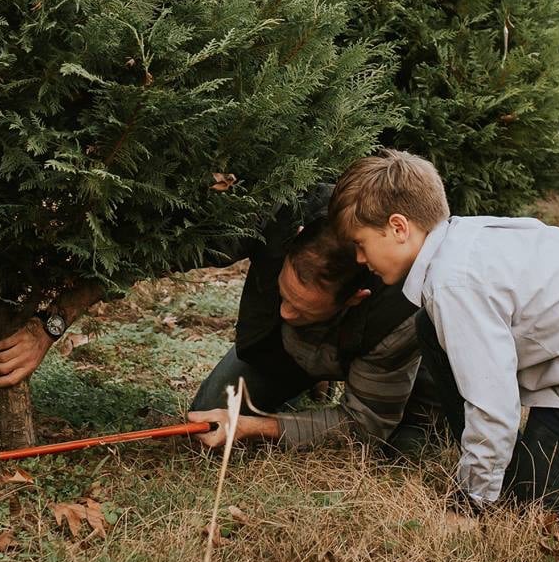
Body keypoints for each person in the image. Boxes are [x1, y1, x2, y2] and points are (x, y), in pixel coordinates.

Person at [331, 149, 559, 535]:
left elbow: (493, 403)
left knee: (532, 509)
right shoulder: (459, 241)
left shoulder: (455, 284)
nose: (359, 258)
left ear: (399, 227)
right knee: (430, 330)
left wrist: (470, 501)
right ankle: (500, 468)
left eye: (360, 243)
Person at [183, 193, 437, 455]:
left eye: (303, 310)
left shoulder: (398, 311)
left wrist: (252, 426)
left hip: (381, 361)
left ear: (354, 299)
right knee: (208, 411)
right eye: (285, 294)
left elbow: (363, 425)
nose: (285, 313)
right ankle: (313, 378)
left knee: (403, 449)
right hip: (289, 352)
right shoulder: (284, 214)